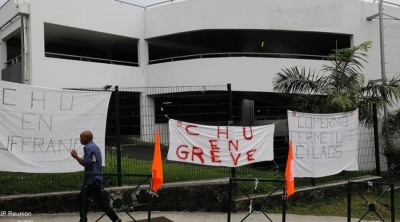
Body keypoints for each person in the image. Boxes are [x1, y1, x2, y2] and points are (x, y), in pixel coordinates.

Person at [71, 130, 121, 222]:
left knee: (99, 202)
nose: (80, 140)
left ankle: (115, 218)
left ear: (88, 138)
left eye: (82, 138)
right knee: (82, 199)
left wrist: (76, 156)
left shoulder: (88, 147)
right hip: (93, 178)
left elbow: (86, 163)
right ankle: (83, 219)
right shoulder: (94, 147)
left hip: (92, 179)